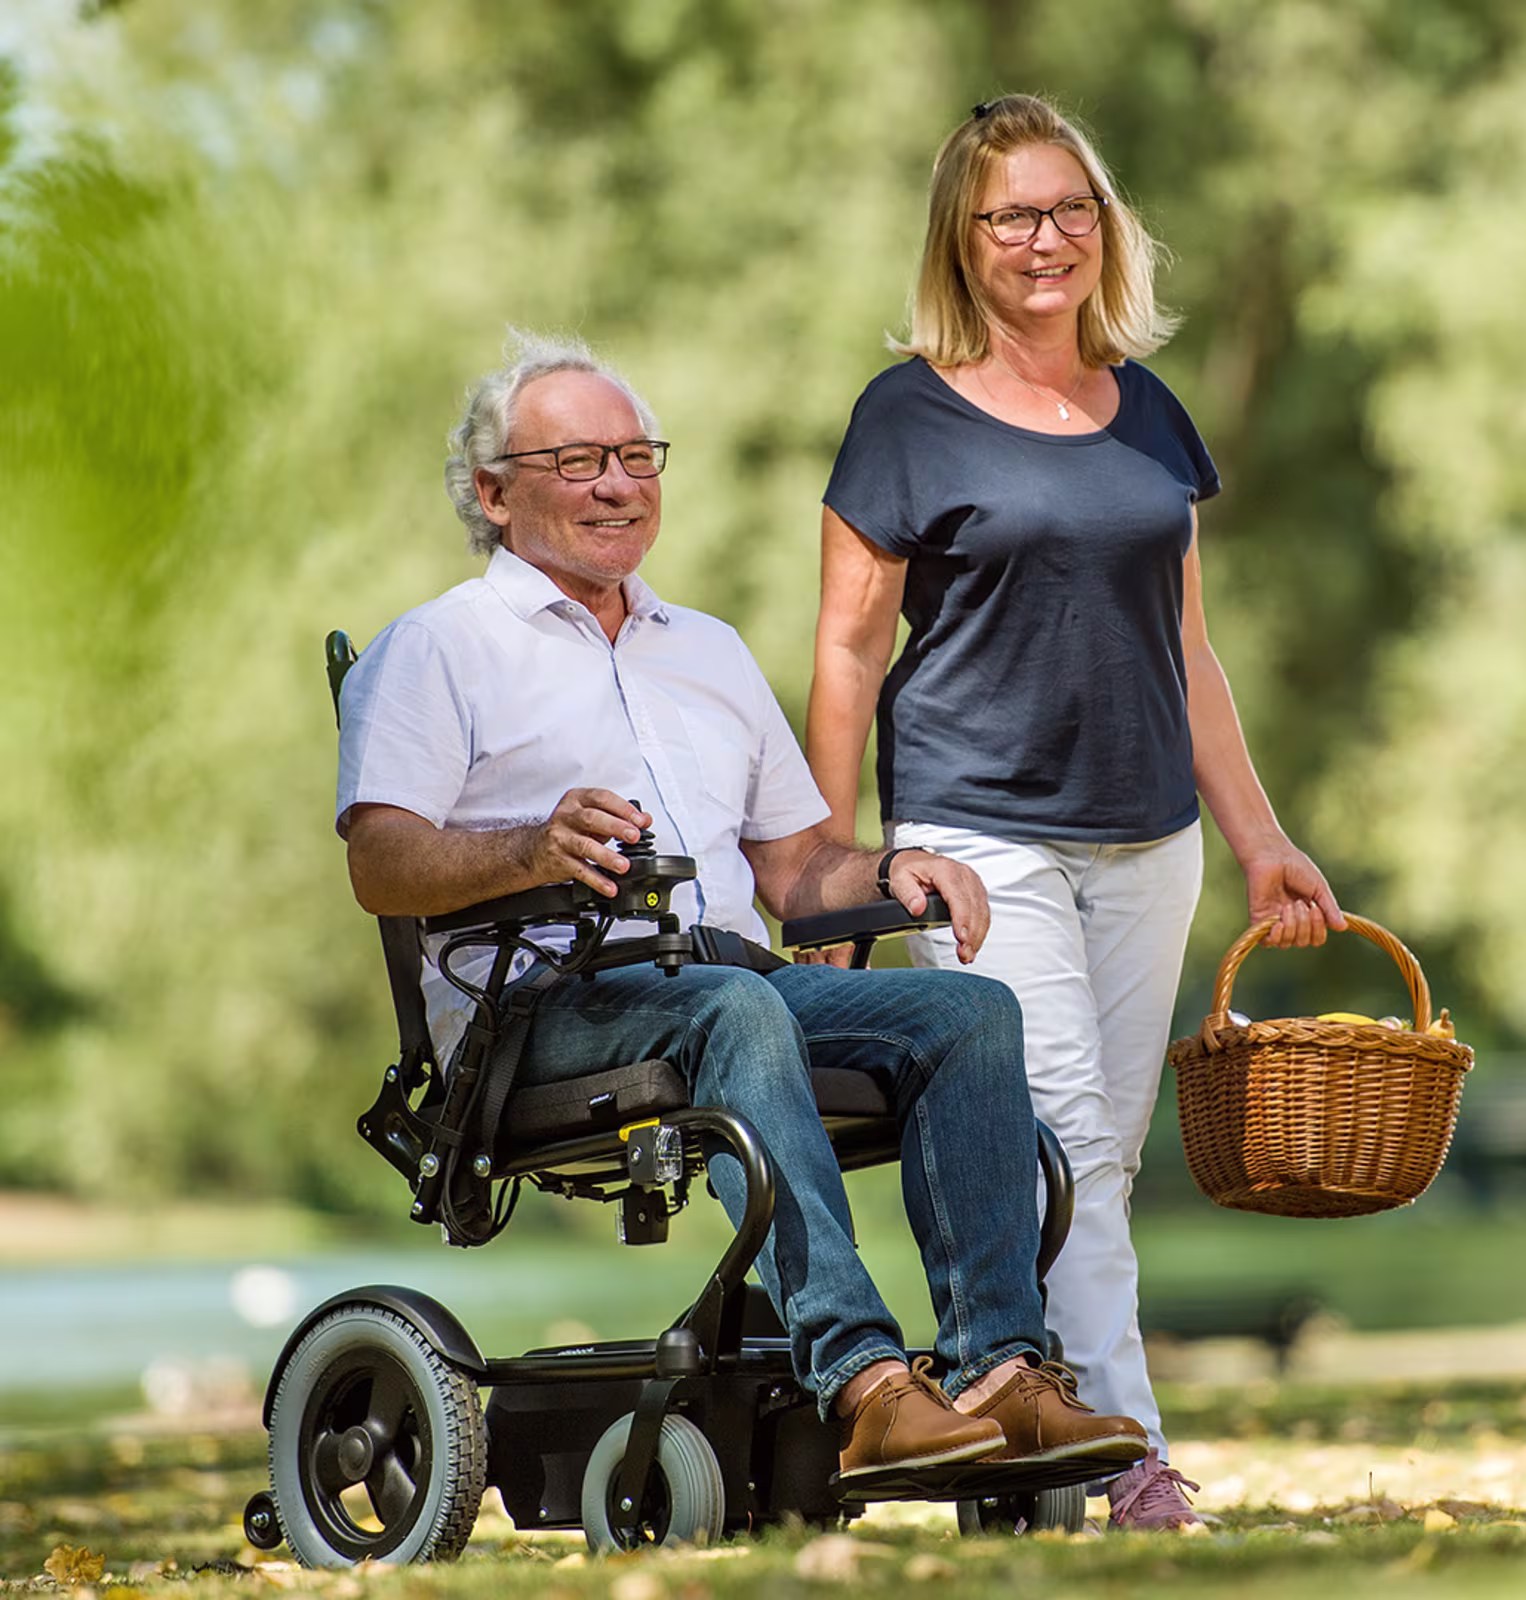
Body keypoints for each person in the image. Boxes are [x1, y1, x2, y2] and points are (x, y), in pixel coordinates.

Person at [333, 328, 1151, 1491]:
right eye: (576, 461)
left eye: (634, 454)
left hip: (727, 979)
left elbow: (795, 869)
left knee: (964, 1011)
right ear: (494, 493)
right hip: (544, 1010)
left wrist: (891, 871)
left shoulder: (704, 652)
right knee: (732, 1011)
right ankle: (867, 1382)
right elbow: (381, 863)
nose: (617, 481)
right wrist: (530, 844)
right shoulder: (439, 648)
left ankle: (999, 1378)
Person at [806, 95, 1345, 1527]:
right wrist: (825, 873)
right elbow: (849, 654)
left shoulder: (1147, 411)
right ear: (962, 241)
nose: (1044, 240)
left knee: (1094, 1154)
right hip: (977, 835)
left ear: (1103, 227)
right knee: (1057, 1138)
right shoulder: (904, 416)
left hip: (1148, 832)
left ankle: (1021, 1435)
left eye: (1068, 210)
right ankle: (1128, 1459)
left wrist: (1259, 837)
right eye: (1010, 217)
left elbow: (1189, 649)